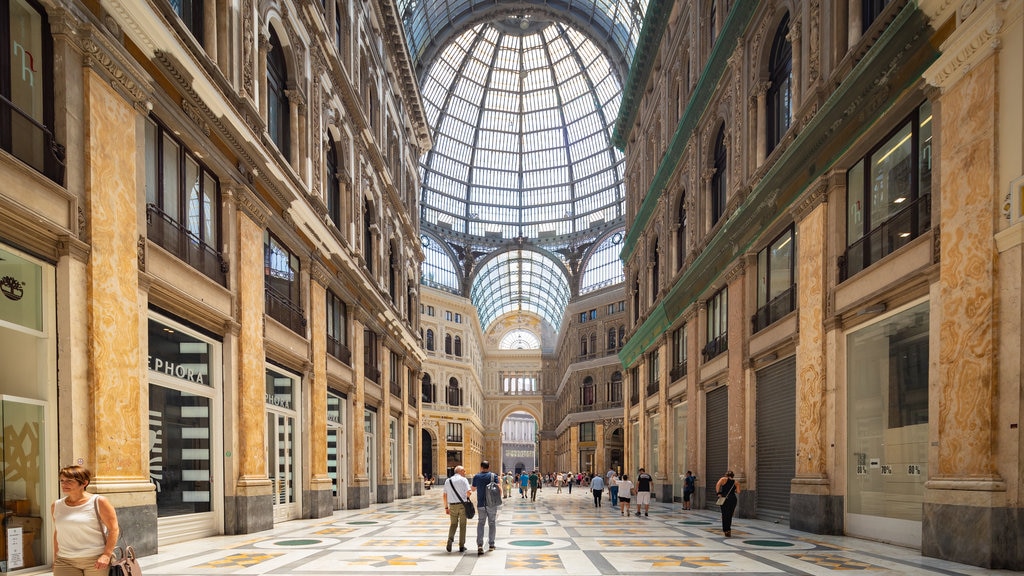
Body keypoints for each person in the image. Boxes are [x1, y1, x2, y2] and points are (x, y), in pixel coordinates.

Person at [51, 465, 119, 576]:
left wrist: (106, 555)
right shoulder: (57, 505)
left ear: (84, 483)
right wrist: (55, 558)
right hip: (65, 560)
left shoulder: (99, 501)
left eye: (69, 481)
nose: (64, 484)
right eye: (62, 481)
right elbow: (58, 532)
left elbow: (114, 529)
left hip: (95, 559)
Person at [471, 461, 500, 555]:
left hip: (481, 504)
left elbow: (473, 489)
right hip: (491, 504)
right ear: (489, 467)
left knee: (481, 523)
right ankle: (491, 544)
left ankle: (480, 545)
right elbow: (498, 488)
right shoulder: (493, 476)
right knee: (492, 523)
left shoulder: (477, 476)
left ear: (481, 467)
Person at [443, 465, 473, 553]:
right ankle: (461, 545)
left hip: (452, 505)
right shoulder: (464, 480)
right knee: (462, 525)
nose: (465, 473)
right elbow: (469, 492)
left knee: (453, 524)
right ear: (459, 471)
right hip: (462, 505)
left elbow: (444, 495)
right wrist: (466, 497)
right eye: (464, 471)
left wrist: (446, 507)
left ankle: (450, 539)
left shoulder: (448, 481)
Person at [715, 470, 741, 537]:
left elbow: (717, 485)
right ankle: (728, 530)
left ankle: (725, 530)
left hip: (724, 498)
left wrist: (718, 493)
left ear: (726, 475)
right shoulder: (736, 482)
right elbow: (738, 491)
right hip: (733, 499)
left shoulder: (723, 479)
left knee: (724, 514)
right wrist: (733, 490)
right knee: (730, 515)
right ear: (733, 476)